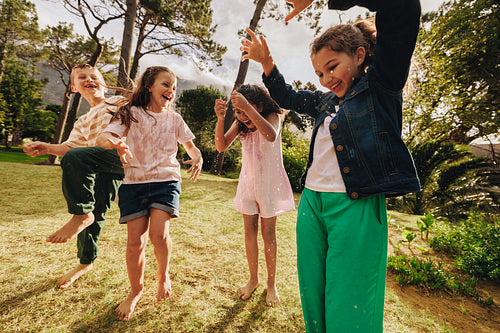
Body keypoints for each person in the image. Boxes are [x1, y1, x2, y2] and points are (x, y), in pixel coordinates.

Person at [241, 0, 421, 331]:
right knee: (315, 296)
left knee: (348, 303)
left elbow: (402, 8)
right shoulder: (325, 101)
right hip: (312, 203)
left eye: (332, 67)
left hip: (356, 204)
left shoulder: (381, 86)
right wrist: (267, 63)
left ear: (360, 56)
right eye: (319, 73)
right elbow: (288, 98)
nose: (326, 79)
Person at [96, 66, 203, 321]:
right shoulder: (130, 114)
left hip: (166, 181)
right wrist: (117, 142)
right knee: (135, 242)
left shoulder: (175, 119)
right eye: (166, 84)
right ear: (149, 86)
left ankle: (163, 275)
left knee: (158, 234)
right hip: (134, 183)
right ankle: (136, 291)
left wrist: (197, 158)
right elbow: (103, 137)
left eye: (174, 87)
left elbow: (191, 147)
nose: (171, 90)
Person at [23, 64, 125, 289]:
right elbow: (70, 147)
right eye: (82, 77)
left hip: (121, 157)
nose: (89, 79)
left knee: (77, 161)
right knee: (94, 213)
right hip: (98, 168)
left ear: (105, 85)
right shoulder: (82, 122)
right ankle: (84, 263)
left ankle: (80, 215)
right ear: (75, 87)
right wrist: (47, 148)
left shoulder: (117, 102)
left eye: (94, 76)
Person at [214, 85, 295, 307]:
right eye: (238, 112)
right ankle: (253, 280)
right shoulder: (240, 122)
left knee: (268, 235)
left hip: (269, 186)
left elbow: (270, 135)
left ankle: (271, 284)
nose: (242, 116)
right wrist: (222, 118)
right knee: (249, 233)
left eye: (245, 110)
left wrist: (247, 109)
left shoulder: (272, 116)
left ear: (259, 105)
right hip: (248, 185)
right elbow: (221, 146)